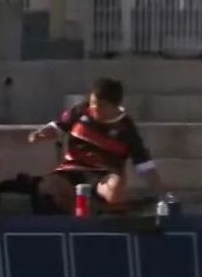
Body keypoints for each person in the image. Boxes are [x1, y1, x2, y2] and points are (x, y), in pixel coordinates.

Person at [28, 77, 163, 212]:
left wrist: (160, 190)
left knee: (115, 190)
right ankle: (84, 213)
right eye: (93, 103)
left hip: (104, 175)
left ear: (114, 106)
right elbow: (59, 126)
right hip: (73, 169)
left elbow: (143, 163)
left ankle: (99, 213)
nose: (94, 108)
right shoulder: (81, 111)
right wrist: (43, 133)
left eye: (100, 105)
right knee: (48, 186)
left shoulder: (126, 128)